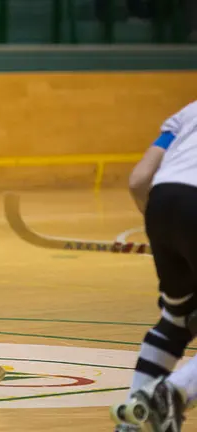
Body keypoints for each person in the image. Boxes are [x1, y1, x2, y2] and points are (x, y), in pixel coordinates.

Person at [112, 101, 197, 431]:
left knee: (176, 319)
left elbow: (139, 180)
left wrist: (167, 231)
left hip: (162, 201)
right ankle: (172, 393)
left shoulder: (189, 111)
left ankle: (134, 419)